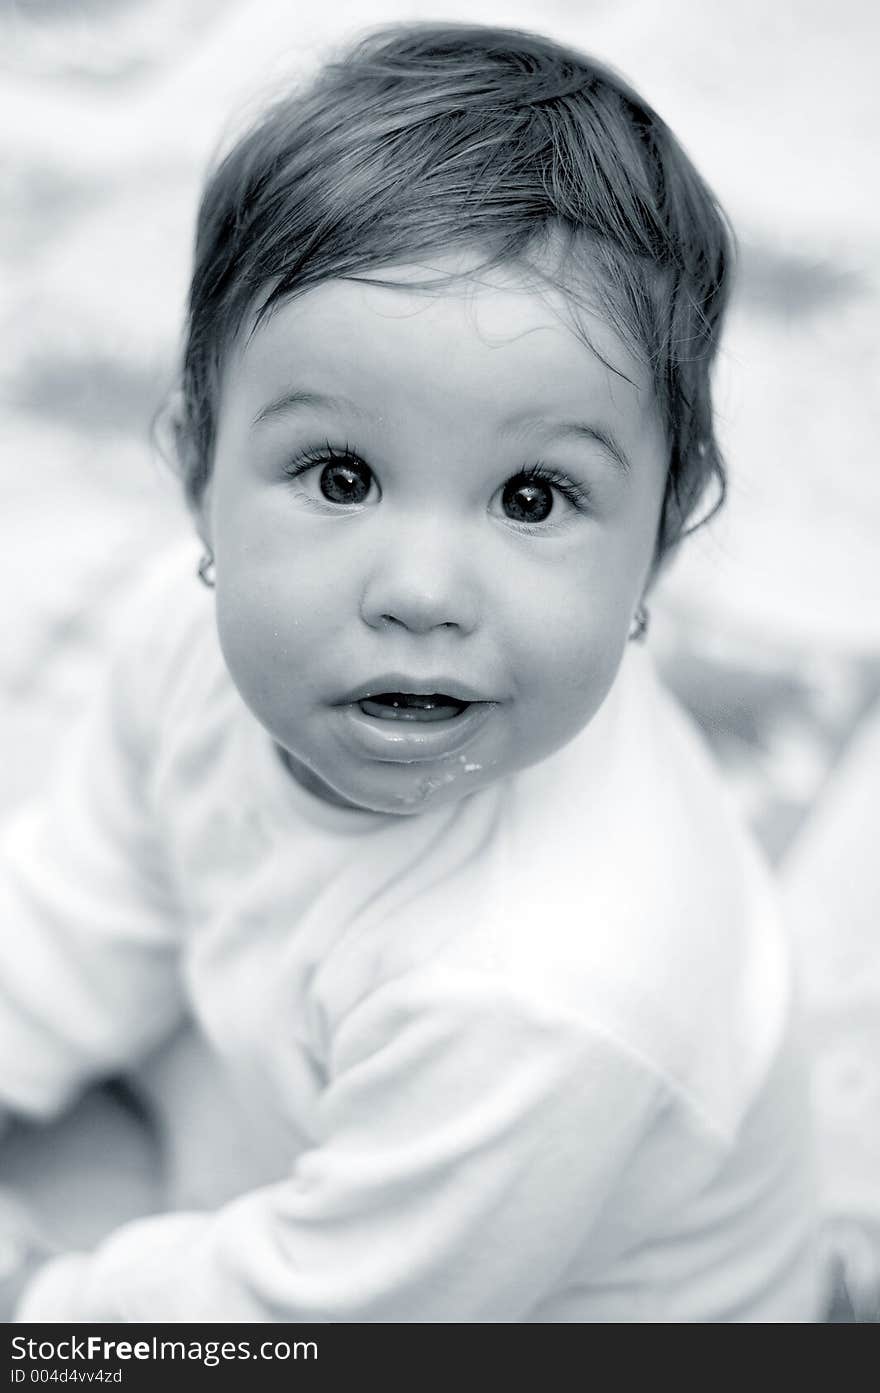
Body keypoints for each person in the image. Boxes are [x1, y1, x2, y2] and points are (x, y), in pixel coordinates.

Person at [0, 22, 822, 1322]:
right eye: (341, 475)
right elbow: (86, 896)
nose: (422, 591)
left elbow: (317, 1314)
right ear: (197, 464)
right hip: (352, 1130)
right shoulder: (180, 636)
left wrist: (47, 1298)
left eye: (535, 496)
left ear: (664, 536)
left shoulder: (551, 983)